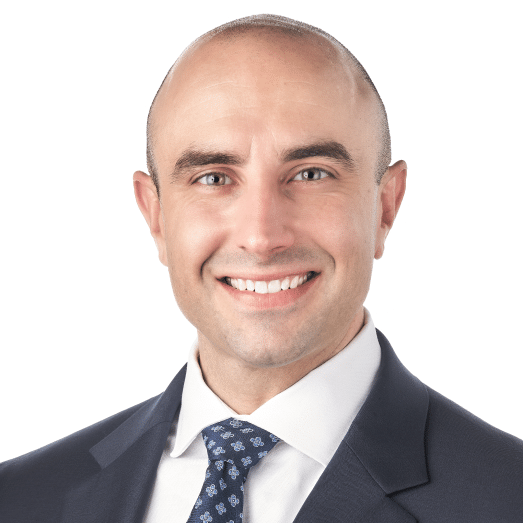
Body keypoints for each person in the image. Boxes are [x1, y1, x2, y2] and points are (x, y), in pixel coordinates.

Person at [1, 13, 522, 523]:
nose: (261, 236)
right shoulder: (20, 499)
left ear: (385, 206)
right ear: (156, 216)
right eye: (213, 178)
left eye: (311, 173)